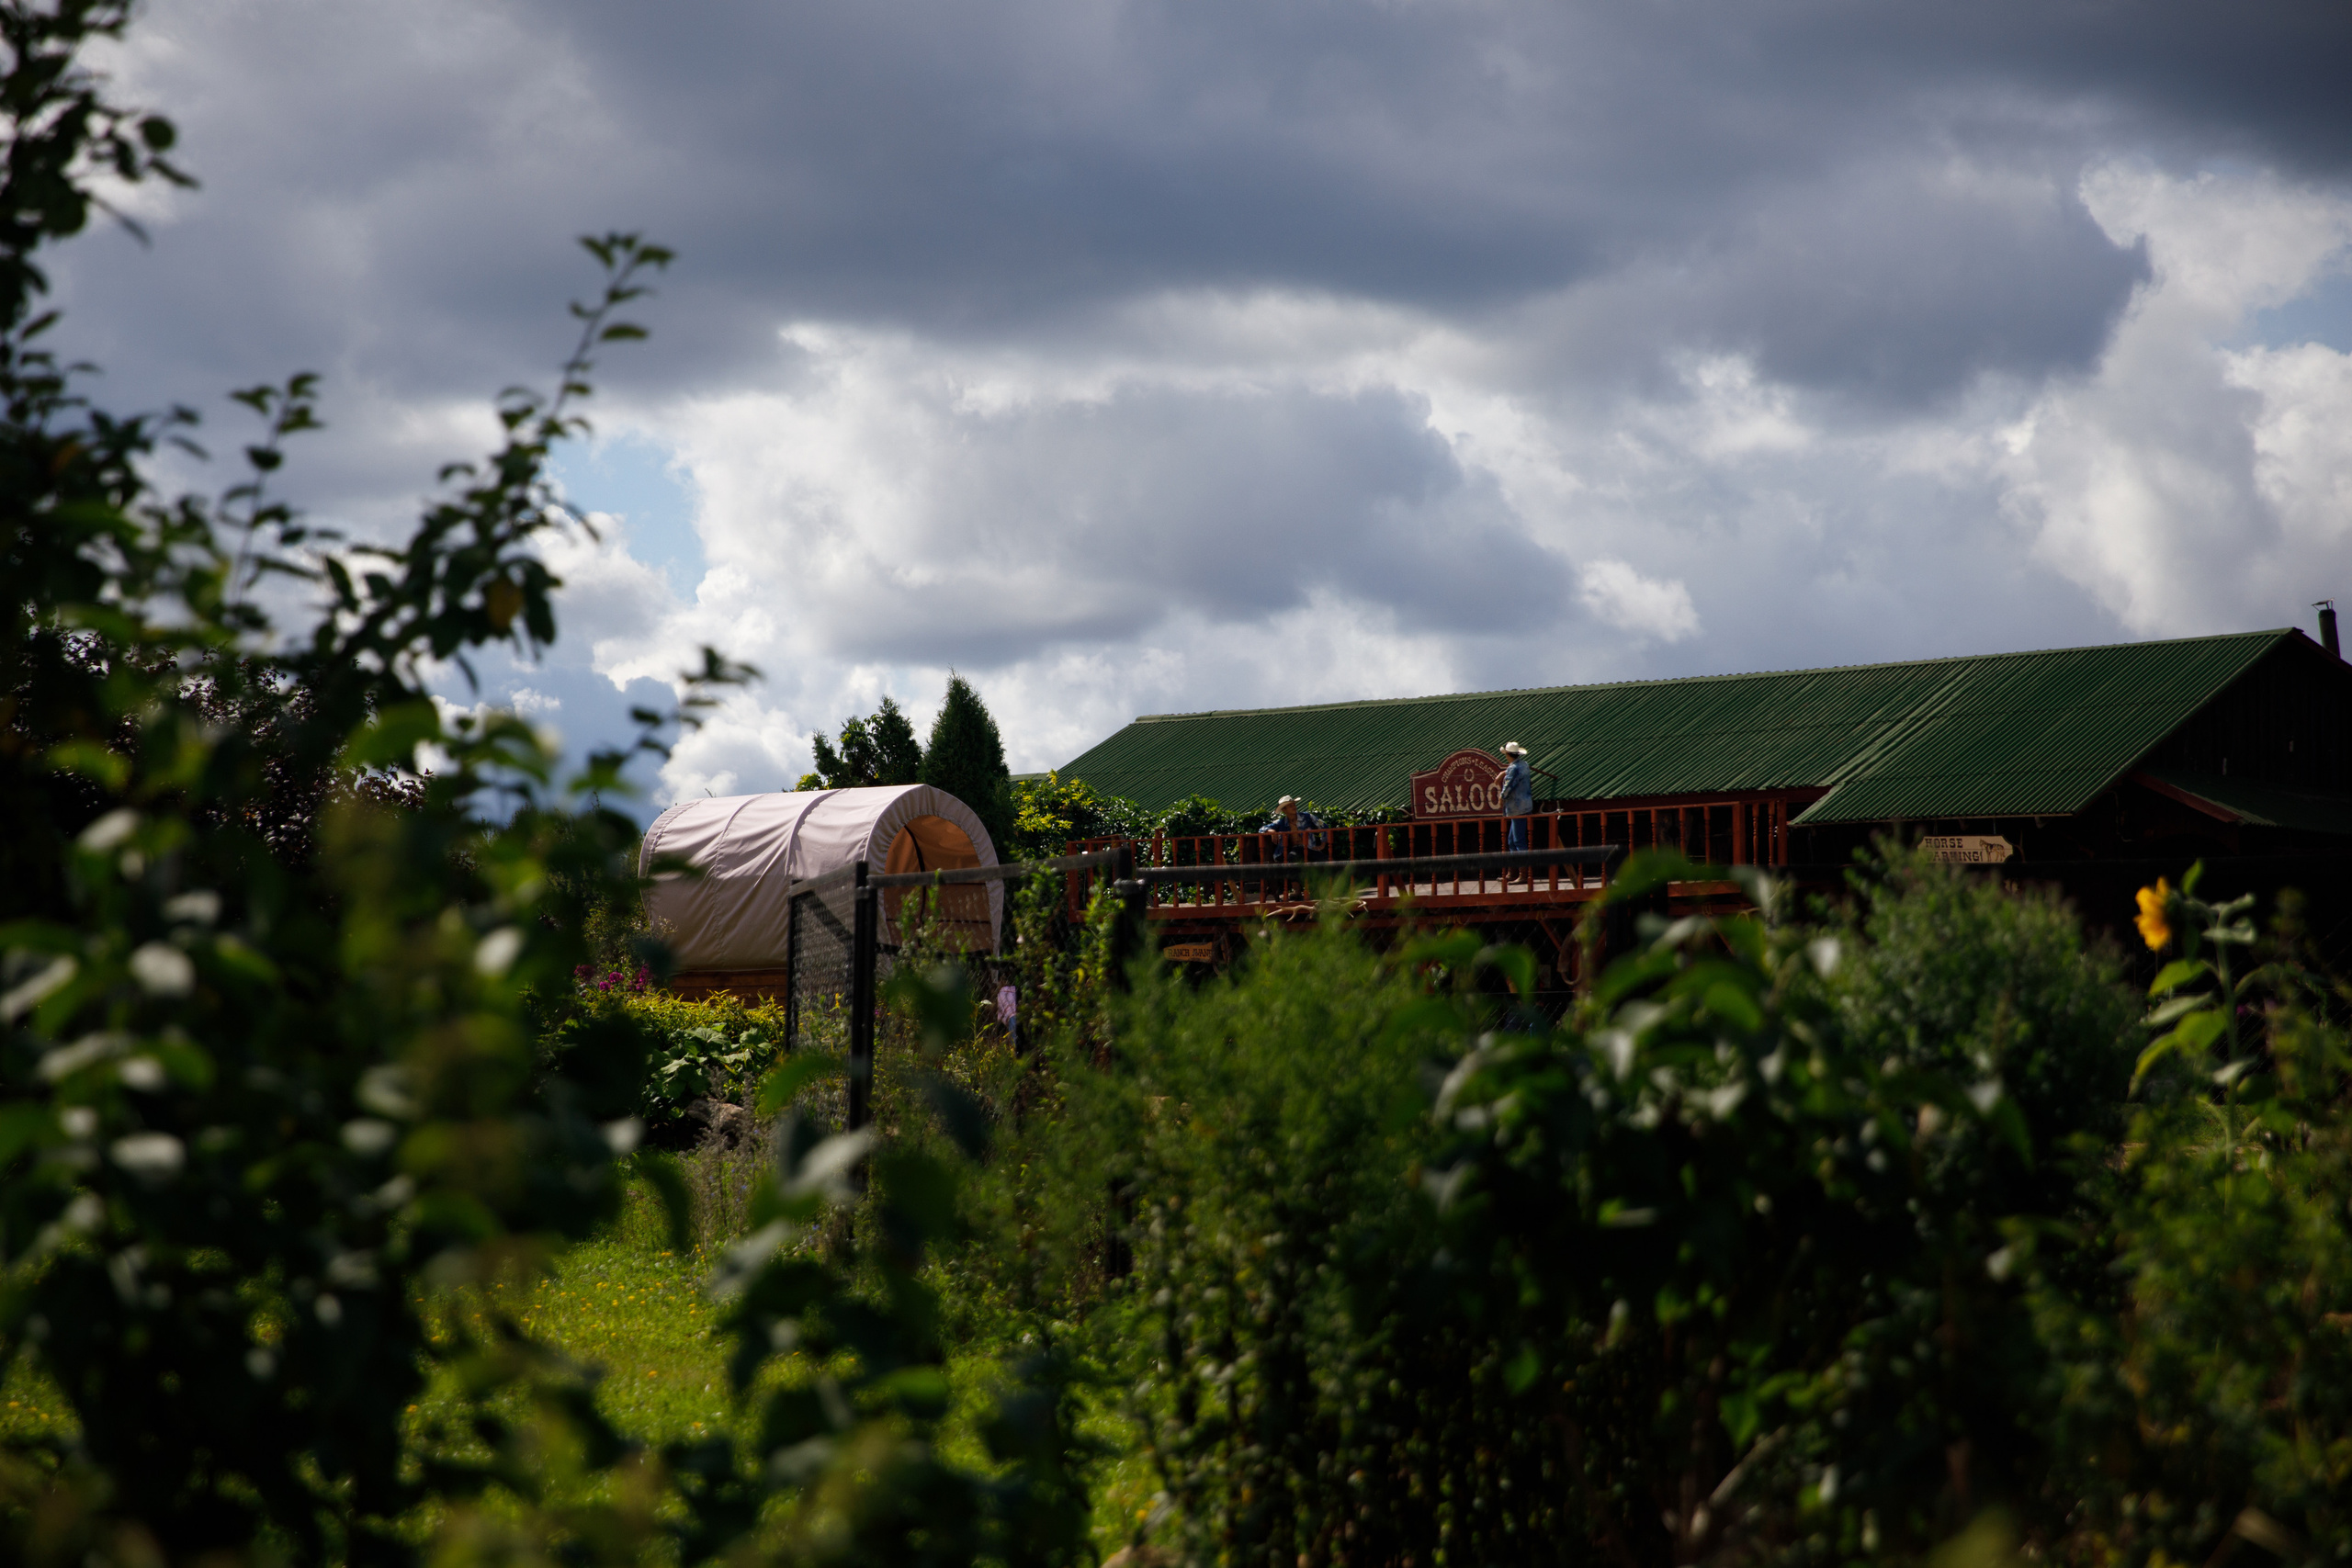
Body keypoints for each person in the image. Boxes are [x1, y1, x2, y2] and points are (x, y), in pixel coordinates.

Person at [1497, 741, 1534, 876]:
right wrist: (1504, 772)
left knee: (1517, 840)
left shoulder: (1513, 769)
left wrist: (1501, 798)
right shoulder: (1523, 765)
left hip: (1517, 807)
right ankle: (1514, 872)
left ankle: (1523, 874)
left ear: (1507, 754)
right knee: (1512, 840)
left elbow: (1508, 786)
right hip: (1525, 805)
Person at [1260, 794, 1327, 863]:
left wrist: (1322, 844)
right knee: (1292, 858)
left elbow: (1323, 825)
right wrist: (1271, 831)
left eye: (1294, 805)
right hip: (1291, 851)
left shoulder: (1307, 817)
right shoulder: (1282, 822)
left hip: (1309, 849)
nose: (1294, 807)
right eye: (1290, 806)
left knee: (1324, 860)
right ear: (1284, 810)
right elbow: (1262, 829)